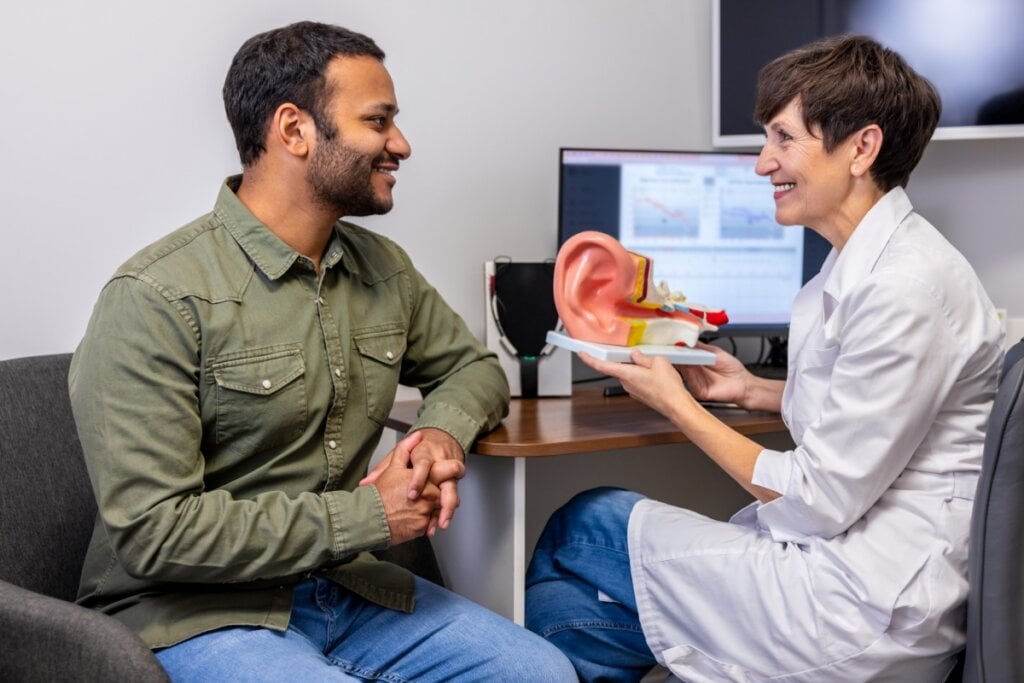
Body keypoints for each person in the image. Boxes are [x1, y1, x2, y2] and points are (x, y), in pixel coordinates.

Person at [69, 21, 575, 682]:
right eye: (378, 121)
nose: (401, 144)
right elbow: (157, 533)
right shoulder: (156, 297)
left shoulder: (381, 269)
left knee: (543, 672)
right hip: (193, 612)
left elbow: (472, 368)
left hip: (348, 590)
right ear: (294, 130)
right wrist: (370, 514)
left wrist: (438, 436)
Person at [525, 34, 1004, 682]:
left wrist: (674, 404)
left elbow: (819, 497)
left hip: (866, 603)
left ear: (862, 147)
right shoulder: (875, 263)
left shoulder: (905, 288)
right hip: (860, 564)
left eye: (783, 139)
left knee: (582, 528)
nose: (761, 163)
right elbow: (877, 414)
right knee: (573, 610)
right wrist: (752, 389)